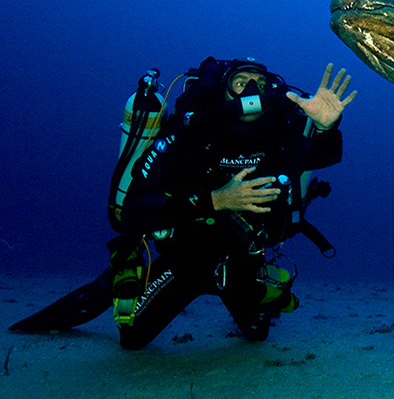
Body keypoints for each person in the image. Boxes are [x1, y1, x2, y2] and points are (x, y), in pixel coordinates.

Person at [8, 57, 356, 349]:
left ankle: (257, 293)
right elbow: (133, 210)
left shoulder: (278, 135)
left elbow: (320, 155)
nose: (251, 91)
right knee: (132, 338)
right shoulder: (189, 135)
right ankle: (126, 272)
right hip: (187, 258)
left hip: (242, 262)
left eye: (260, 84)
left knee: (257, 336)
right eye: (241, 82)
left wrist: (328, 126)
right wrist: (215, 201)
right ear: (223, 88)